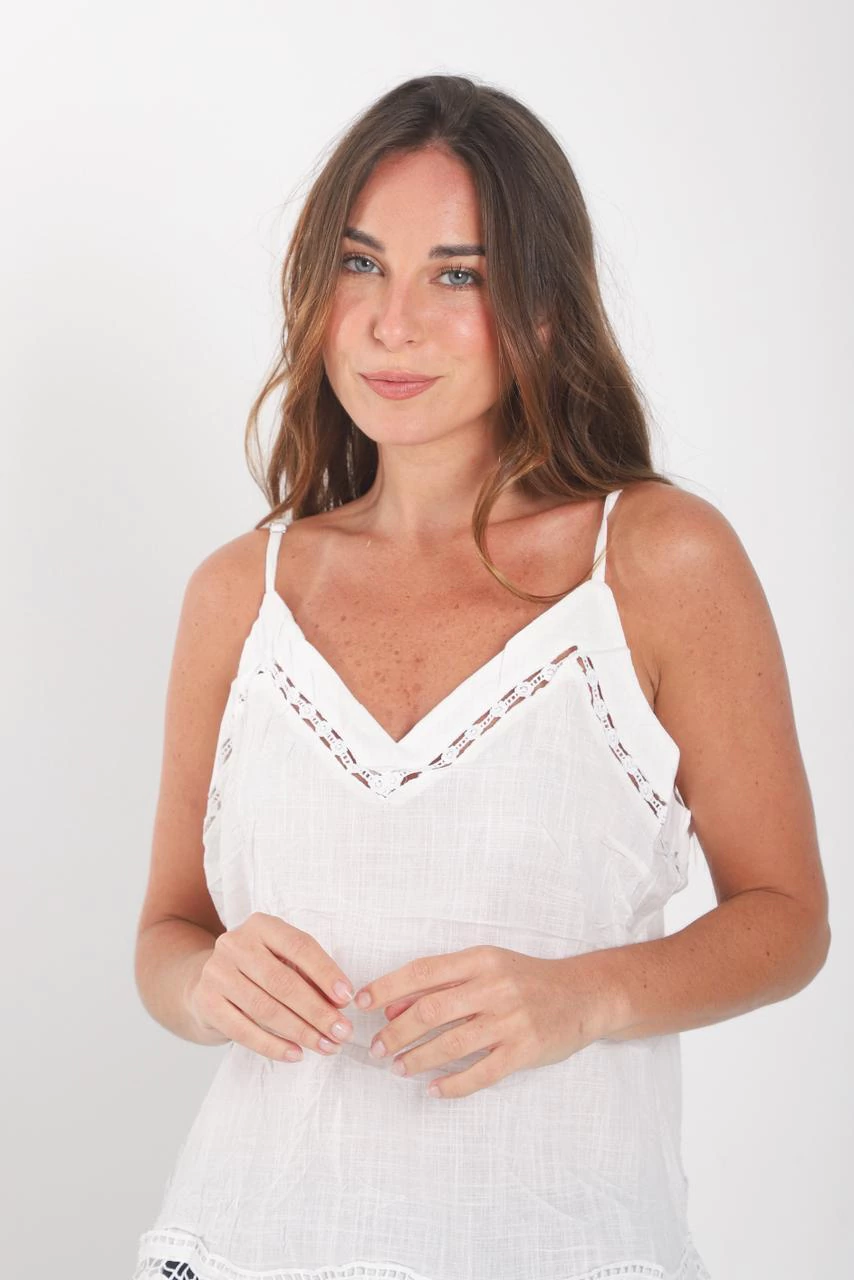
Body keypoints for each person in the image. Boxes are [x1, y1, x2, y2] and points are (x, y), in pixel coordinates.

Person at [132, 75, 829, 1280]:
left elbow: (787, 917)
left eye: (456, 275)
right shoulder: (239, 591)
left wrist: (582, 997)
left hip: (561, 1243)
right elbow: (167, 933)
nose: (391, 322)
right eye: (359, 264)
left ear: (543, 309)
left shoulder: (656, 560)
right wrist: (204, 982)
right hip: (250, 1237)